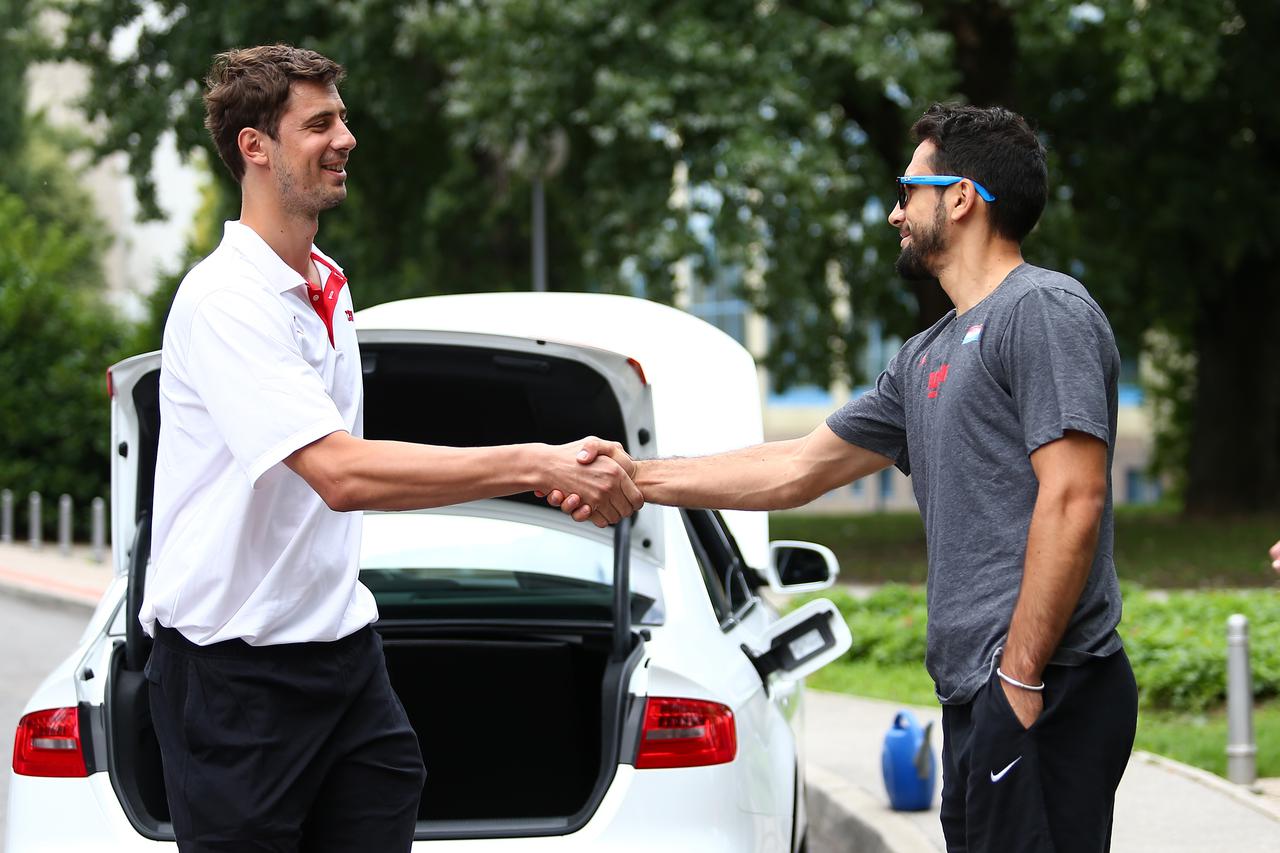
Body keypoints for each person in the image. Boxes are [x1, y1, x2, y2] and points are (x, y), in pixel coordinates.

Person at [550, 104, 1137, 852]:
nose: (896, 213)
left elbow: (1074, 496)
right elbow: (798, 467)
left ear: (960, 198)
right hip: (983, 694)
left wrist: (1018, 680)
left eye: (909, 190)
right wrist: (639, 475)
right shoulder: (926, 353)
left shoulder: (1044, 311)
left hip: (1051, 684)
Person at [140, 44, 640, 853]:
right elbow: (337, 472)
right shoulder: (224, 302)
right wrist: (533, 462)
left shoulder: (326, 283)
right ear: (255, 148)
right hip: (235, 680)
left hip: (344, 660)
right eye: (320, 123)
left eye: (343, 117)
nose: (346, 137)